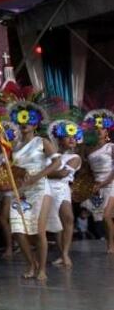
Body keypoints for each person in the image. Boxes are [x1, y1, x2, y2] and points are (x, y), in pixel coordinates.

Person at [7, 101, 60, 280]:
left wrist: (37, 176)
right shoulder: (15, 146)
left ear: (35, 124)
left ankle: (42, 269)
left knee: (39, 230)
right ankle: (31, 264)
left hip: (40, 188)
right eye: (22, 120)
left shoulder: (42, 142)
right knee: (18, 231)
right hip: (21, 191)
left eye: (29, 120)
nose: (25, 123)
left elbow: (57, 162)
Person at [47, 120, 83, 268]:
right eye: (68, 136)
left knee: (68, 218)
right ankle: (62, 254)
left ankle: (65, 254)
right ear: (60, 139)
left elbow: (62, 174)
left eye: (74, 136)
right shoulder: (51, 156)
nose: (72, 139)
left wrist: (43, 174)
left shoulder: (75, 158)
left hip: (63, 189)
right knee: (56, 222)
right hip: (48, 189)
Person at [84, 109, 114, 254]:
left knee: (106, 216)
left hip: (111, 183)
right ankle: (109, 242)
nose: (98, 131)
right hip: (97, 185)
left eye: (101, 128)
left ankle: (111, 245)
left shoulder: (111, 147)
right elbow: (87, 171)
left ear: (107, 131)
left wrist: (103, 183)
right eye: (96, 128)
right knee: (102, 218)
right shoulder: (89, 149)